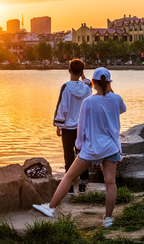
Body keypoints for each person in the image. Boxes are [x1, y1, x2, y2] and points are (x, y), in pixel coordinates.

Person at [33, 67, 126, 228]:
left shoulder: (88, 102)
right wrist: (109, 90)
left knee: (69, 176)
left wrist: (79, 147)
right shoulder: (116, 99)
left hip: (92, 148)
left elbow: (81, 127)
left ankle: (51, 207)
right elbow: (121, 109)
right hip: (111, 147)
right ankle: (108, 218)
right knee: (110, 183)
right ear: (109, 82)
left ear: (93, 82)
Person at [53, 59, 92, 194]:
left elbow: (62, 106)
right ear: (82, 72)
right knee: (82, 153)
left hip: (68, 127)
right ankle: (83, 181)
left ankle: (69, 185)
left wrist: (59, 124)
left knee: (68, 154)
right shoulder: (86, 88)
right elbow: (88, 82)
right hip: (82, 127)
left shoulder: (66, 87)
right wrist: (82, 75)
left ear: (69, 70)